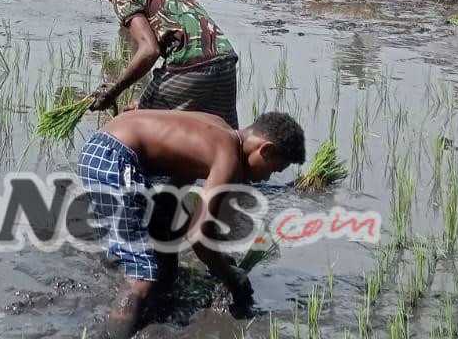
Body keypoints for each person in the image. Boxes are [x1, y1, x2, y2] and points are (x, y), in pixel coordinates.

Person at [77, 109, 306, 338]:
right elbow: (198, 238)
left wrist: (211, 255)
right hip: (114, 158)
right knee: (143, 275)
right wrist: (230, 278)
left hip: (106, 149)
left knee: (164, 250)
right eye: (273, 169)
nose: (266, 178)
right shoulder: (229, 158)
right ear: (265, 149)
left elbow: (170, 199)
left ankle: (147, 305)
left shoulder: (218, 129)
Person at [89, 0, 240, 126]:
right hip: (225, 61)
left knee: (137, 124)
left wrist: (113, 92)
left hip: (189, 66)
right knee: (225, 136)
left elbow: (149, 50)